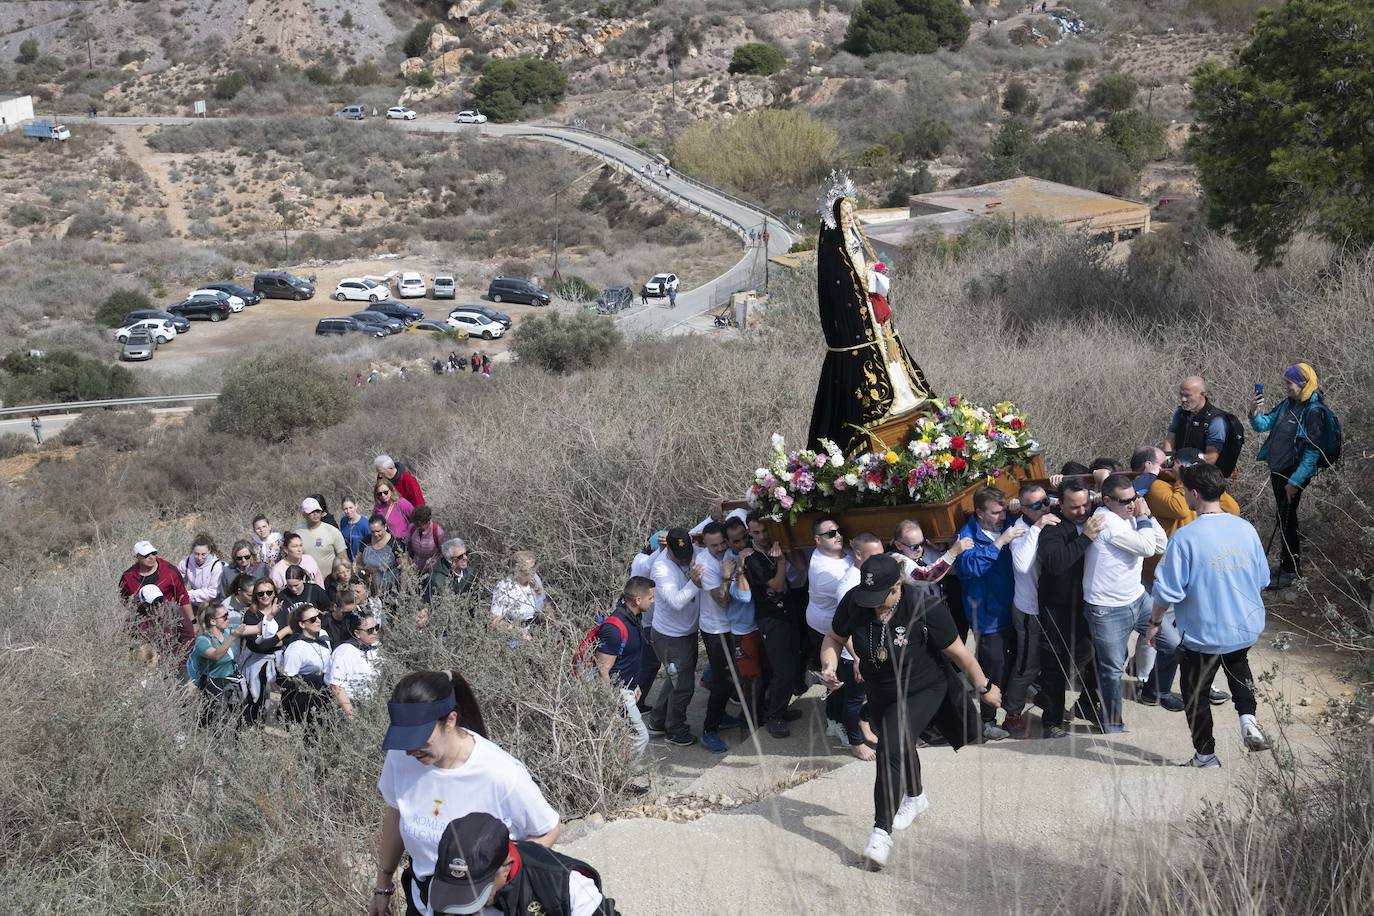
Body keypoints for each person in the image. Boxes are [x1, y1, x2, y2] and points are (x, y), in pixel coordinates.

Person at [822, 555, 1002, 869]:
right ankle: (916, 796)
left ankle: (880, 833)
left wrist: (985, 688)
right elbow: (834, 638)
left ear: (898, 586)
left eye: (881, 598)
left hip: (924, 688)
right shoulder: (855, 602)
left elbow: (960, 654)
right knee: (899, 742)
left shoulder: (924, 606)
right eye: (869, 599)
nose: (873, 605)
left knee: (890, 746)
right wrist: (830, 665)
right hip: (881, 691)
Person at [368, 671, 559, 915]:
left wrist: (502, 877)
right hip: (423, 899)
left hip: (483, 906)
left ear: (450, 720)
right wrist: (382, 885)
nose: (410, 750)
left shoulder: (500, 773)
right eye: (405, 740)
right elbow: (396, 814)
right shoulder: (400, 758)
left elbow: (548, 829)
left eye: (419, 739)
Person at [1148, 463, 1272, 767]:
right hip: (1244, 625)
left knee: (1196, 692)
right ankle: (1248, 720)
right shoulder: (1245, 528)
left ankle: (1205, 754)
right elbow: (1263, 579)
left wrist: (1154, 623)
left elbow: (1167, 592)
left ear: (1193, 493)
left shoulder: (1186, 538)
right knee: (1237, 663)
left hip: (1203, 633)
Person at [807, 176, 933, 455]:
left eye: (852, 213)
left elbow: (861, 270)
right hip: (858, 323)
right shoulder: (833, 251)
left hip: (873, 312)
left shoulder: (855, 240)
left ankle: (903, 395)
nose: (850, 218)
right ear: (836, 219)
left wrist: (874, 275)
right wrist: (863, 283)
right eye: (845, 214)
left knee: (892, 351)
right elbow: (839, 287)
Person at [1083, 474, 1177, 731]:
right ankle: (1112, 722)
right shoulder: (1106, 522)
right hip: (1107, 608)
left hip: (1137, 598)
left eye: (1134, 498)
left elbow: (1160, 544)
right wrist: (1144, 517)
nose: (1131, 504)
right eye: (1125, 501)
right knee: (1111, 669)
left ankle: (1154, 690)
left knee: (1172, 644)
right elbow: (1148, 549)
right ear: (1107, 500)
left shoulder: (1131, 517)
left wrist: (1148, 517)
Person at [423, 813, 619, 916]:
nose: (465, 905)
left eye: (476, 892)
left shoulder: (565, 885)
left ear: (506, 867)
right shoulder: (444, 887)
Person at [1250, 362, 1331, 590]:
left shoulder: (1313, 412)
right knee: (1284, 517)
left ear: (1303, 384)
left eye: (1289, 383)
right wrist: (1255, 411)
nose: (1286, 386)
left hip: (1292, 473)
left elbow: (1313, 451)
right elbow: (1263, 425)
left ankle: (1291, 571)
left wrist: (1295, 481)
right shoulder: (1289, 404)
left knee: (1287, 518)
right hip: (1278, 470)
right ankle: (1287, 567)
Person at [1037, 480, 1106, 737]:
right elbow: (1056, 563)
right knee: (1055, 664)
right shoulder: (1053, 527)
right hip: (1058, 606)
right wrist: (1086, 538)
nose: (1081, 511)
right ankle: (1052, 721)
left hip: (1091, 603)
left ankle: (1087, 705)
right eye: (1074, 507)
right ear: (1061, 505)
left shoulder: (1098, 516)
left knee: (1104, 656)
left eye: (1085, 504)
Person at [954, 487, 1023, 740]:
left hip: (1014, 609)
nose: (1002, 516)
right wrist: (1000, 542)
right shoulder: (967, 535)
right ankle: (987, 720)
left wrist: (1017, 507)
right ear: (980, 513)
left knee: (1018, 663)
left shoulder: (1010, 521)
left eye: (1004, 510)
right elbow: (970, 567)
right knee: (991, 668)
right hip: (986, 617)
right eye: (995, 512)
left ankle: (1013, 713)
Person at [805, 517, 869, 756]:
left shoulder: (839, 555)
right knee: (840, 680)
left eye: (838, 531)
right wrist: (856, 655)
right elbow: (849, 610)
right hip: (828, 629)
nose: (837, 535)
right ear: (817, 540)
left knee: (840, 680)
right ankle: (836, 721)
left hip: (837, 624)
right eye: (830, 534)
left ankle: (840, 717)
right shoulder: (825, 572)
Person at [1003, 483, 1059, 739]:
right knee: (1027, 663)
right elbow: (1023, 565)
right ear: (1024, 508)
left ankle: (1045, 699)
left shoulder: (1053, 515)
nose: (1044, 507)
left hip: (1052, 608)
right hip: (1029, 610)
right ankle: (1012, 713)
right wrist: (1036, 527)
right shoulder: (1020, 530)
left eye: (1046, 501)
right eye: (1036, 505)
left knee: (1056, 662)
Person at [741, 512, 799, 738]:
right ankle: (773, 716)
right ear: (749, 532)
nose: (762, 536)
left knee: (792, 663)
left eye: (765, 531)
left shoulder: (773, 547)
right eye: (756, 532)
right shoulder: (751, 558)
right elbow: (775, 585)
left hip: (787, 613)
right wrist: (782, 562)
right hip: (770, 617)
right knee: (782, 669)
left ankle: (781, 709)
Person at [646, 528, 704, 747]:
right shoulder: (661, 568)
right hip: (670, 637)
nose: (686, 559)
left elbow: (699, 530)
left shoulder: (692, 548)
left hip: (685, 633)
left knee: (675, 680)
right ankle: (675, 729)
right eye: (680, 557)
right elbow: (677, 601)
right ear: (668, 549)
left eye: (688, 554)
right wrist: (695, 582)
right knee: (683, 686)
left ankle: (658, 721)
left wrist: (713, 516)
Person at [693, 522, 742, 754]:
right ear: (705, 544)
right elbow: (722, 600)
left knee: (727, 674)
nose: (721, 547)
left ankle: (720, 713)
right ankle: (709, 730)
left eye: (723, 542)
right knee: (725, 681)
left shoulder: (729, 552)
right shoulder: (704, 564)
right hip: (716, 629)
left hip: (731, 625)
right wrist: (726, 577)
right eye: (715, 545)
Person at [594, 577, 652, 760]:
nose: (653, 601)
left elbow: (628, 659)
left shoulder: (634, 619)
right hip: (616, 693)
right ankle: (624, 781)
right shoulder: (614, 628)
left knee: (623, 737)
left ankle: (618, 776)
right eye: (650, 598)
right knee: (640, 736)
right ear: (638, 600)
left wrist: (635, 685)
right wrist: (611, 703)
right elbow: (602, 670)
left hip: (627, 690)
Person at [238, 577, 291, 724]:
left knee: (275, 701)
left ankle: (270, 732)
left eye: (269, 592)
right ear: (255, 595)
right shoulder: (251, 615)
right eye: (261, 593)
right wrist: (283, 632)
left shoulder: (282, 611)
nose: (265, 596)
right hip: (257, 665)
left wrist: (274, 639)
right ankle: (252, 730)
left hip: (278, 664)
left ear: (274, 593)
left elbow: (289, 638)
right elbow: (259, 646)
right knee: (256, 700)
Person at [119, 540, 193, 641]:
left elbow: (182, 596)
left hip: (171, 619)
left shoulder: (169, 571)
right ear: (136, 557)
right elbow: (125, 599)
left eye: (154, 553)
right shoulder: (128, 577)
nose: (151, 557)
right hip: (145, 623)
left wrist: (192, 621)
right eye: (146, 555)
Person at [193, 604, 251, 726]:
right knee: (215, 721)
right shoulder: (202, 640)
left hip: (232, 681)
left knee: (239, 720)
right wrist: (233, 637)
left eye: (227, 615)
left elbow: (256, 628)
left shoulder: (227, 630)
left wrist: (270, 615)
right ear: (213, 621)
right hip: (215, 685)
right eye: (224, 616)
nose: (228, 618)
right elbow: (215, 655)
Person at [280, 603, 332, 727]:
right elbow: (287, 680)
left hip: (324, 696)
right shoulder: (296, 648)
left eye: (319, 616)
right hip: (306, 700)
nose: (318, 621)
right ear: (302, 624)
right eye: (313, 619)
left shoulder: (323, 642)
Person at [1163, 376, 1229, 468]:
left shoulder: (1216, 421)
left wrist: (1186, 469)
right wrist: (1168, 461)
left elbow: (1211, 458)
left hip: (1200, 475)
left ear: (1203, 394)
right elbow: (1170, 439)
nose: (1183, 399)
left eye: (1187, 395)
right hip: (1178, 470)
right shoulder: (1181, 413)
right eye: (1181, 395)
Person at [328, 610, 382, 718]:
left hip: (374, 705)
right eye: (370, 630)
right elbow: (337, 687)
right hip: (352, 705)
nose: (375, 632)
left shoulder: (376, 648)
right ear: (357, 633)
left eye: (376, 627)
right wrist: (352, 718)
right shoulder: (344, 652)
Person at [490, 551, 547, 632]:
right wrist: (519, 632)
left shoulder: (536, 579)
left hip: (538, 629)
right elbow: (494, 621)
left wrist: (555, 624)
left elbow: (545, 603)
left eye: (533, 568)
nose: (532, 572)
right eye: (528, 569)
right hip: (515, 634)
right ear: (517, 570)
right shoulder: (505, 587)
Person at [296, 497, 347, 576]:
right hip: (307, 581)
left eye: (317, 511)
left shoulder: (332, 531)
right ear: (304, 514)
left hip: (329, 581)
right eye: (311, 512)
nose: (315, 514)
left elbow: (343, 557)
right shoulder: (298, 533)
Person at [361, 514, 407, 597]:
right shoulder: (366, 540)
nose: (375, 534)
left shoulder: (395, 544)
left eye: (378, 531)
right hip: (368, 588)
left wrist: (402, 593)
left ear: (385, 527)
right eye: (372, 531)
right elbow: (358, 562)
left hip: (389, 590)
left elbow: (404, 569)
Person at [176, 532, 224, 609]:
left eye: (203, 554)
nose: (199, 557)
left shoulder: (216, 566)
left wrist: (188, 594)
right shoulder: (187, 561)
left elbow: (213, 592)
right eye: (196, 554)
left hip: (211, 605)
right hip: (193, 602)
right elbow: (177, 580)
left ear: (209, 551)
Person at [425, 539, 476, 604]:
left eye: (466, 553)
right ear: (450, 560)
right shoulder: (436, 580)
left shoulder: (470, 573)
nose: (465, 558)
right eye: (460, 556)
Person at [406, 505, 447, 574]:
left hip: (433, 570)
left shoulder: (438, 532)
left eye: (420, 525)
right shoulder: (412, 528)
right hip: (415, 568)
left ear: (427, 521)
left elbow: (445, 552)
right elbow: (408, 545)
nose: (417, 527)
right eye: (416, 524)